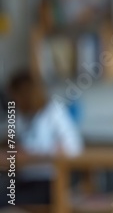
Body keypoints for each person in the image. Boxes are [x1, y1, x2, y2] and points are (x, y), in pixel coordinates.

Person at [1, 69, 83, 206]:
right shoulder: (21, 116)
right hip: (25, 178)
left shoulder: (54, 112)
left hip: (50, 181)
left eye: (14, 95)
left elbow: (73, 148)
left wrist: (30, 154)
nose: (12, 100)